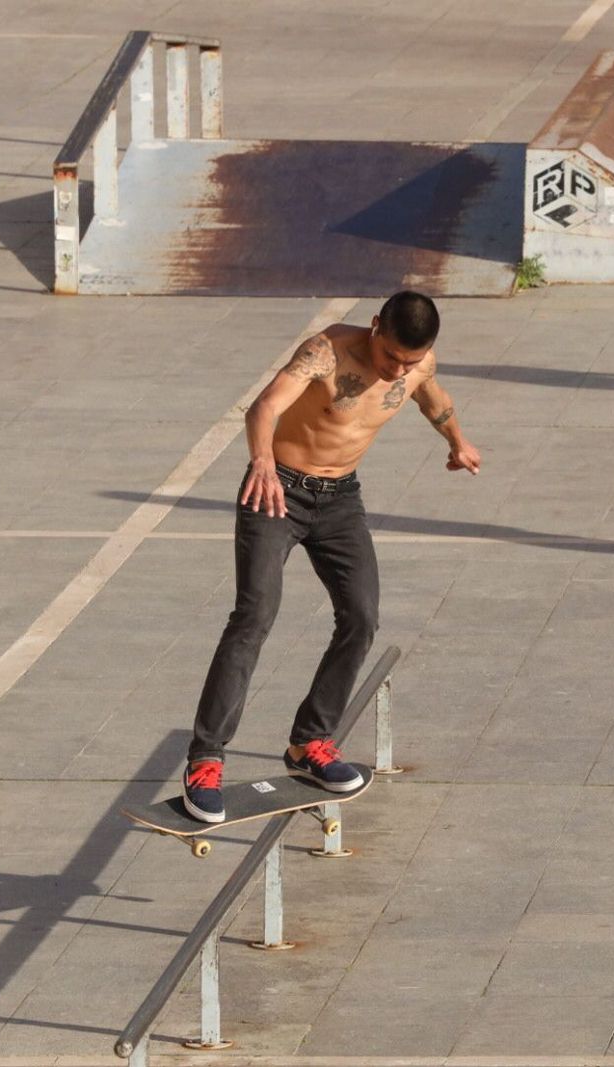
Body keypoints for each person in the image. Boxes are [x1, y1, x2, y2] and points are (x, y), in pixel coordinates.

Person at [181, 291, 480, 823]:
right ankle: (205, 759)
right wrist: (263, 463)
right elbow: (265, 407)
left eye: (410, 362)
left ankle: (310, 742)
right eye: (391, 357)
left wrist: (457, 440)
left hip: (340, 500)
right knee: (254, 616)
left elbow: (432, 398)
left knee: (362, 617)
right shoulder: (326, 352)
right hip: (277, 492)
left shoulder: (418, 363)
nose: (398, 370)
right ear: (373, 328)